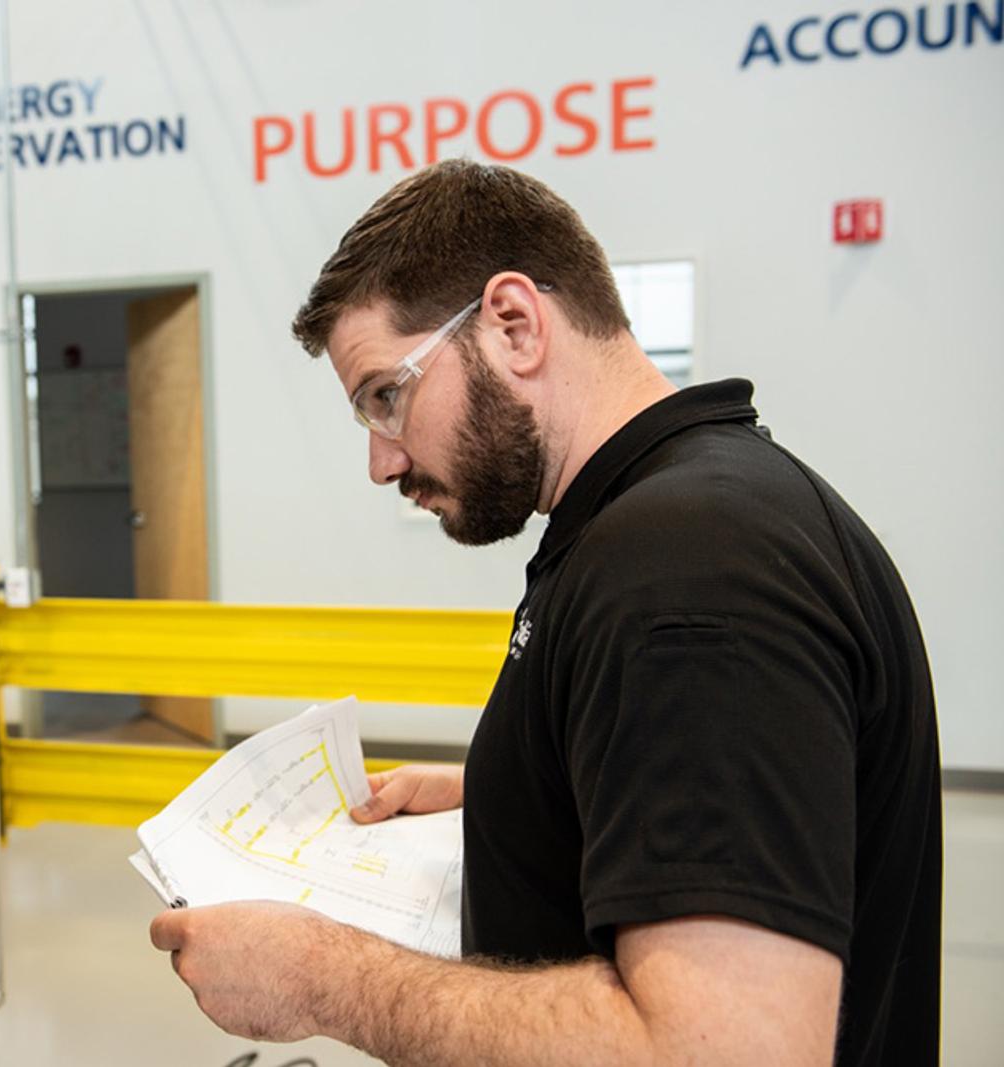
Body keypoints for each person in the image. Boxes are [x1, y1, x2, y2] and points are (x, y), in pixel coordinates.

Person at [149, 161, 940, 1067]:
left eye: (385, 395)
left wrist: (328, 977)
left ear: (514, 325)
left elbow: (725, 1050)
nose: (380, 460)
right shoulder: (673, 514)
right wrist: (513, 792)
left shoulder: (688, 572)